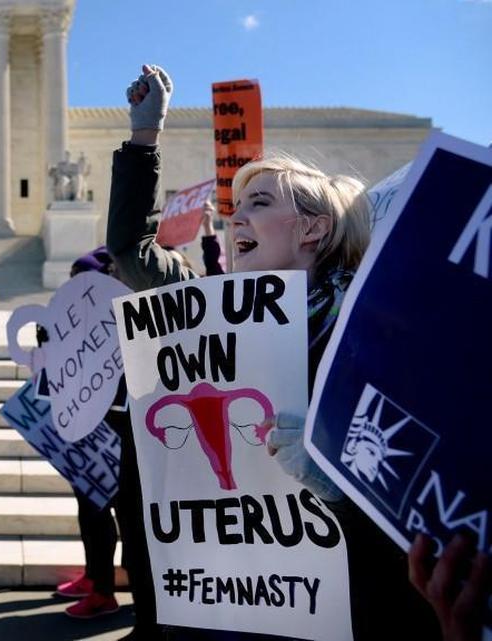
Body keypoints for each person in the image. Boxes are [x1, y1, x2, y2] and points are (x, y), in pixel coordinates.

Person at [108, 64, 437, 640]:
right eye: (237, 203)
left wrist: (339, 483)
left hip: (342, 604)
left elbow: (417, 493)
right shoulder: (204, 311)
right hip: (228, 600)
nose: (235, 215)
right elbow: (131, 252)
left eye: (257, 202)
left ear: (310, 229)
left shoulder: (371, 335)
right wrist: (144, 137)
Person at [54, 247, 125, 620]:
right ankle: (95, 576)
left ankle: (105, 591)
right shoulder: (77, 318)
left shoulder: (120, 315)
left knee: (110, 514)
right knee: (89, 510)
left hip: (119, 434)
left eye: (80, 278)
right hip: (87, 434)